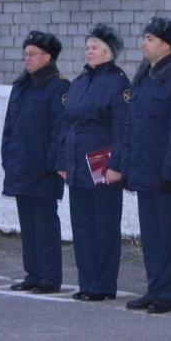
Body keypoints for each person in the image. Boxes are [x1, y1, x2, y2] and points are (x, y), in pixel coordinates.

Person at [122, 16, 171, 314]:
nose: (144, 43)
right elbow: (133, 126)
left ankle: (169, 292)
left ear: (166, 45)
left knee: (168, 234)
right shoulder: (143, 78)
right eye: (144, 38)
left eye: (150, 39)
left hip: (167, 175)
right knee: (150, 234)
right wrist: (129, 166)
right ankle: (154, 287)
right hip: (144, 170)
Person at [58, 24, 130, 301]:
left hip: (102, 164)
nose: (89, 51)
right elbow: (66, 123)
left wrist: (117, 165)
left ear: (108, 52)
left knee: (104, 226)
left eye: (95, 47)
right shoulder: (79, 83)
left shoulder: (117, 82)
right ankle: (86, 282)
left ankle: (103, 285)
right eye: (87, 46)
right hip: (77, 163)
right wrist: (62, 161)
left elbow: (122, 128)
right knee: (82, 226)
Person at [2, 31, 70, 294]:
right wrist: (7, 157)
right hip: (20, 165)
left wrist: (54, 164)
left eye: (32, 54)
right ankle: (33, 274)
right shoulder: (21, 86)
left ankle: (50, 278)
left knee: (44, 225)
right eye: (25, 54)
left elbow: (59, 130)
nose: (27, 59)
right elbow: (10, 127)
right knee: (28, 225)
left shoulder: (58, 86)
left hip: (43, 168)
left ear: (47, 57)